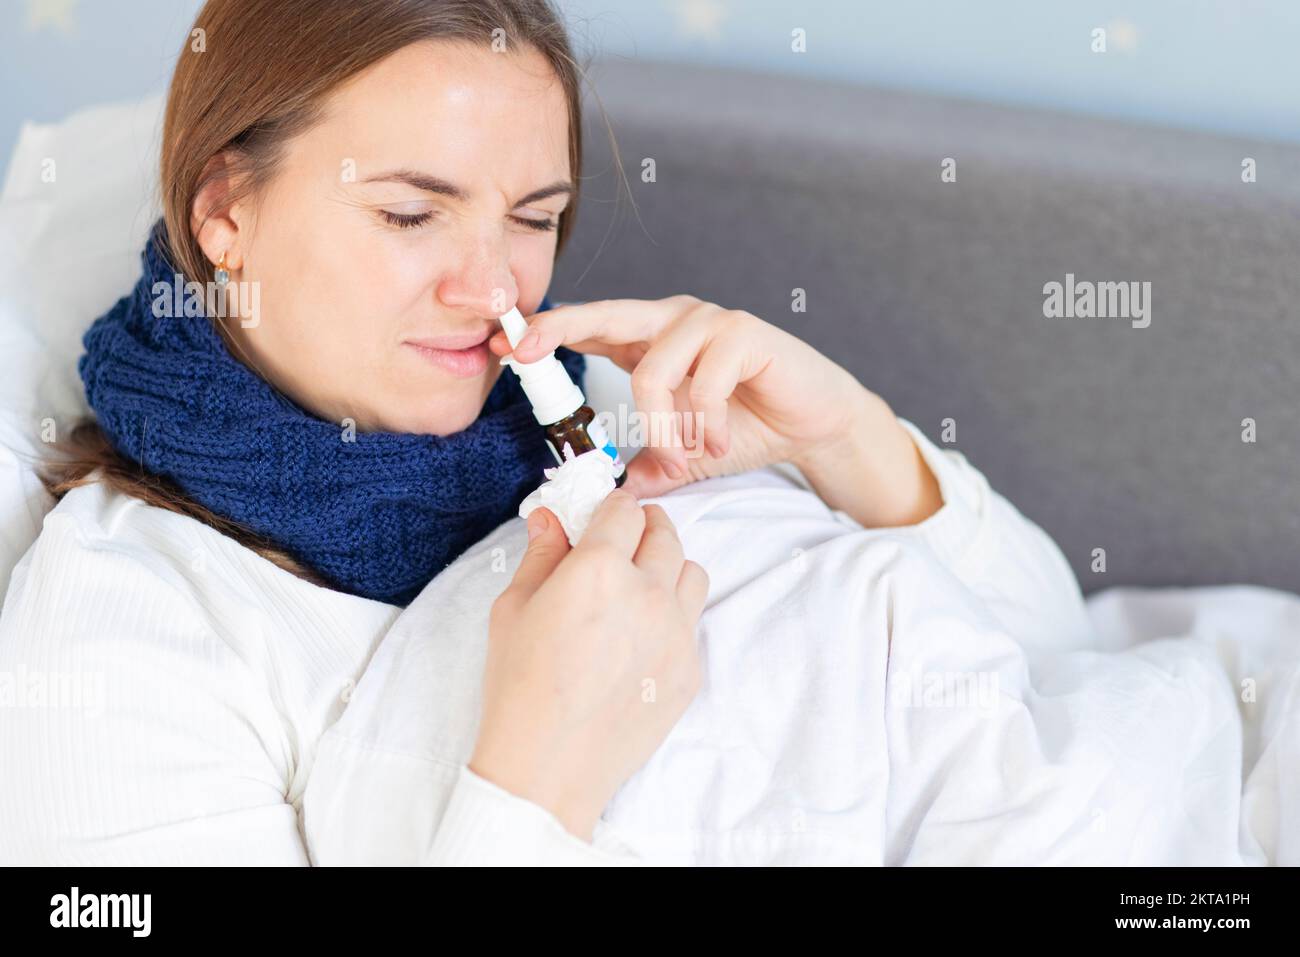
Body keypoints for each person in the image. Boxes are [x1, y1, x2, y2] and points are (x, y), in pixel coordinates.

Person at [0, 0, 1082, 865]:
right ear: (223, 210)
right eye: (410, 214)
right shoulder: (121, 629)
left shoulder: (596, 427)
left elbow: (1047, 660)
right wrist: (537, 782)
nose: (493, 290)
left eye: (533, 219)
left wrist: (843, 437)